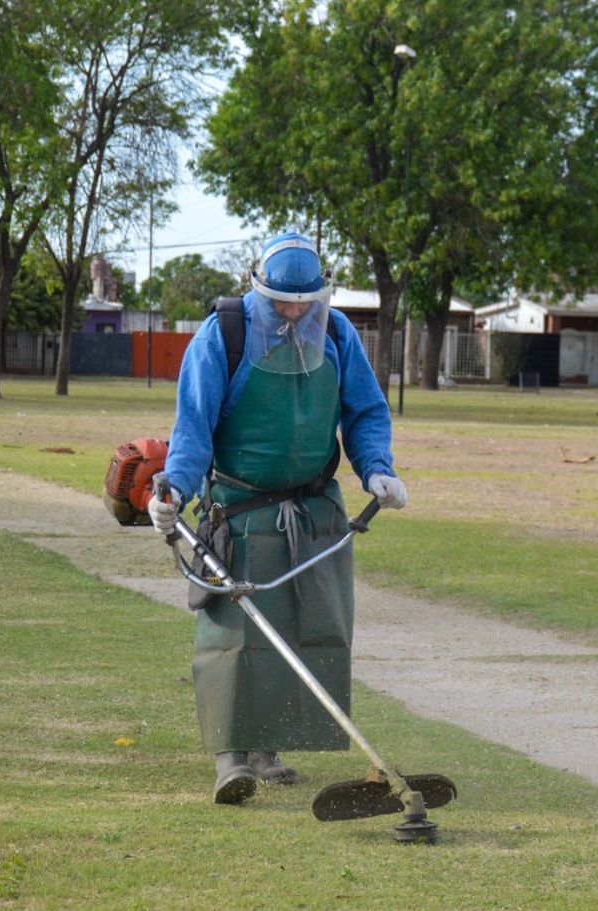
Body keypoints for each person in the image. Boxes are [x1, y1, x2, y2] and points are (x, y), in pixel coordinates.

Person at [147, 232, 408, 805]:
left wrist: (376, 469)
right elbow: (193, 426)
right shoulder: (224, 336)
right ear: (258, 289)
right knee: (233, 631)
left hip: (316, 510)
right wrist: (174, 489)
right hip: (240, 508)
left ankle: (269, 747)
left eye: (304, 304)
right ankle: (230, 758)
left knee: (306, 622)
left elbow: (364, 410)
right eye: (283, 303)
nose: (294, 313)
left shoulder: (337, 334)